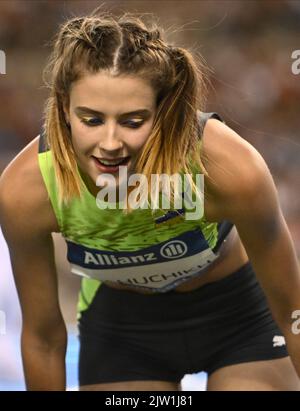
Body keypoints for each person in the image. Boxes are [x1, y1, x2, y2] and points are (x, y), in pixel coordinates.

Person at [0, 9, 300, 392]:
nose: (110, 144)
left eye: (132, 121)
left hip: (237, 314)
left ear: (162, 114)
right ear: (64, 110)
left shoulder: (229, 168)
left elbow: (294, 311)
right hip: (123, 331)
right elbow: (43, 338)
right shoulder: (27, 190)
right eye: (91, 120)